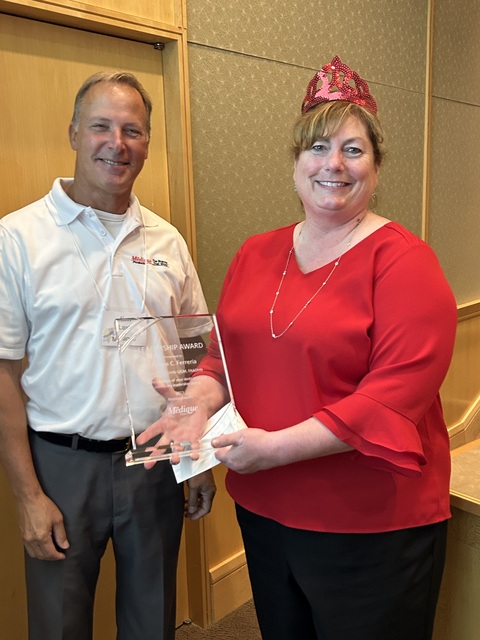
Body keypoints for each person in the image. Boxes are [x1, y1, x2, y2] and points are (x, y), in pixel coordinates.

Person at [138, 56, 458, 639]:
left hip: (369, 524)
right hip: (264, 511)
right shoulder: (255, 253)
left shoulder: (405, 263)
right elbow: (222, 357)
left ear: (376, 167)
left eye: (353, 150)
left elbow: (389, 401)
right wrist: (197, 401)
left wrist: (274, 449)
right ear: (295, 164)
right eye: (317, 147)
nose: (333, 163)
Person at [0, 71, 215, 640]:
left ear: (146, 144)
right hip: (62, 466)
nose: (116, 144)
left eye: (132, 130)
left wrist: (194, 458)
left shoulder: (167, 241)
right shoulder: (18, 238)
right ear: (74, 133)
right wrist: (27, 496)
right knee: (59, 622)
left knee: (152, 619)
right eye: (101, 126)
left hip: (156, 458)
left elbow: (194, 352)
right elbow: (2, 372)